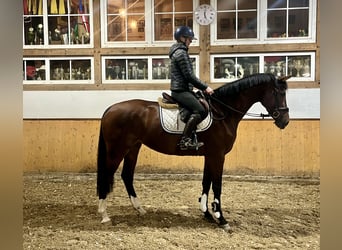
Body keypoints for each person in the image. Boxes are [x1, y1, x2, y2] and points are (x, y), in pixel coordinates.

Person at [169, 26, 214, 150]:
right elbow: (189, 75)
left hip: (183, 88)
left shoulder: (179, 52)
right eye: (189, 39)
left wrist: (195, 86)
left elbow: (186, 76)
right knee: (201, 110)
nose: (190, 42)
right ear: (182, 38)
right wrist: (206, 87)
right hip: (180, 91)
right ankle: (185, 141)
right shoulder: (181, 53)